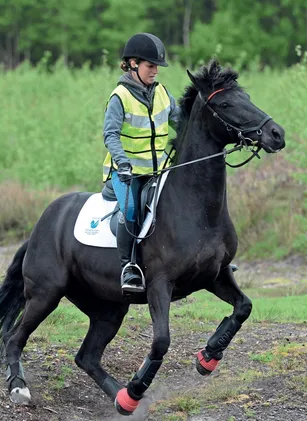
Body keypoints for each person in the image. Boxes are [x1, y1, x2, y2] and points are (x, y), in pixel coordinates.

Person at [102, 33, 185, 293]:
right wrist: (123, 163)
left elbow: (181, 123)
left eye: (157, 66)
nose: (155, 71)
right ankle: (128, 267)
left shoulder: (162, 93)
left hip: (157, 171)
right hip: (126, 173)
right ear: (133, 64)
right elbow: (110, 135)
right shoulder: (120, 96)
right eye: (151, 66)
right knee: (130, 209)